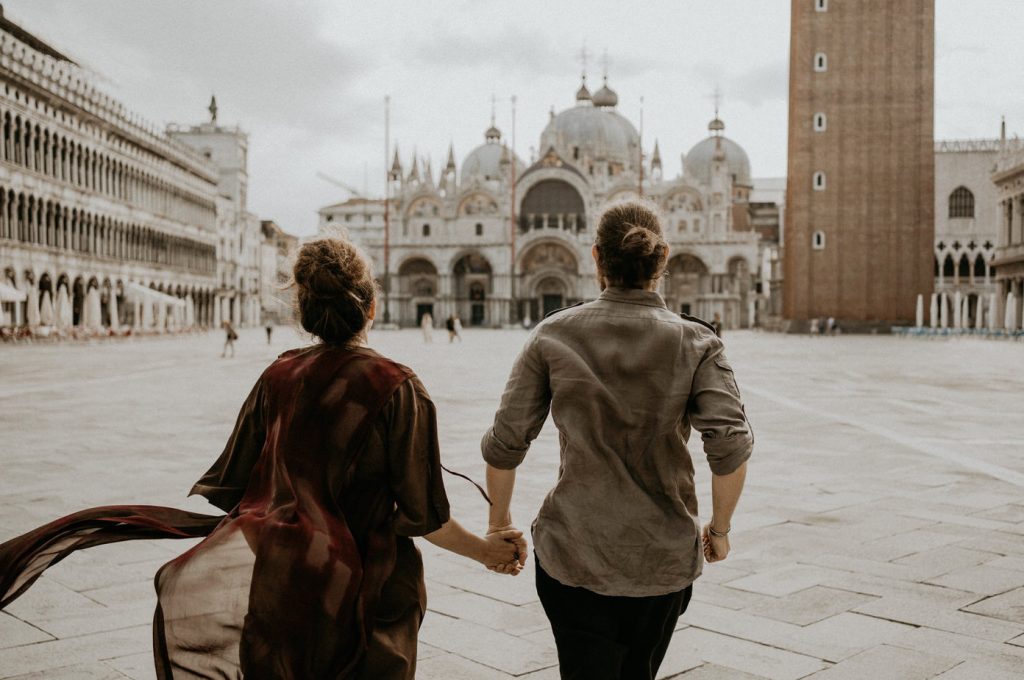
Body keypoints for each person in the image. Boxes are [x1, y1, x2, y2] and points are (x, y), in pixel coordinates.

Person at [0, 237, 526, 679]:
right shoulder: (398, 387)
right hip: (372, 597)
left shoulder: (279, 377)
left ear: (301, 311)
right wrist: (488, 551)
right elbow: (424, 517)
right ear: (372, 305)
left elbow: (235, 490)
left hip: (282, 587)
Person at [481, 201, 753, 680]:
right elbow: (729, 447)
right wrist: (720, 530)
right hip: (663, 556)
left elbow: (506, 442)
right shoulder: (697, 342)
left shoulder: (553, 334)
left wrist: (500, 523)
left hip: (573, 551)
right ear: (663, 258)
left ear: (595, 257)